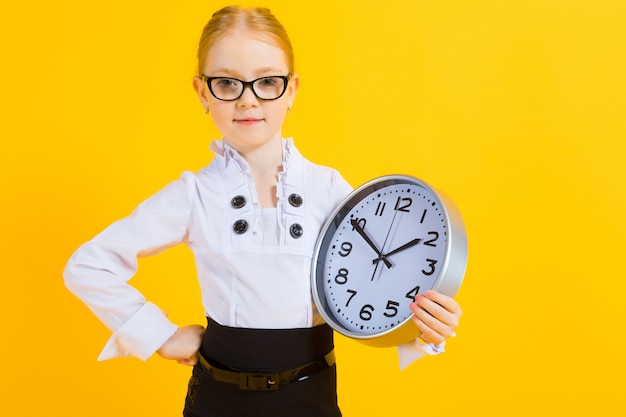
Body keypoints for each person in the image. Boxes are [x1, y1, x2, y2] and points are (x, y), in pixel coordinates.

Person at [64, 5, 462, 417]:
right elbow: (89, 265)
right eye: (227, 83)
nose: (248, 100)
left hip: (312, 400)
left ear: (291, 89)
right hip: (219, 402)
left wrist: (426, 331)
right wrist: (158, 335)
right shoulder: (194, 194)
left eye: (267, 81)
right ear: (203, 92)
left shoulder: (328, 189)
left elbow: (374, 286)